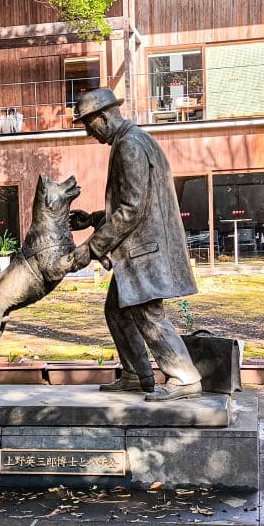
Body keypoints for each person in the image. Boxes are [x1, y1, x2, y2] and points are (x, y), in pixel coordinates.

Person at [67, 88, 201, 402]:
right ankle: (136, 372)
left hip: (144, 251)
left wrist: (90, 248)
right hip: (143, 248)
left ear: (102, 116)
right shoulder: (135, 141)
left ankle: (184, 376)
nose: (88, 132)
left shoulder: (129, 145)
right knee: (116, 311)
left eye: (88, 124)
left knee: (147, 315)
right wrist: (94, 218)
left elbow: (131, 210)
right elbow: (137, 203)